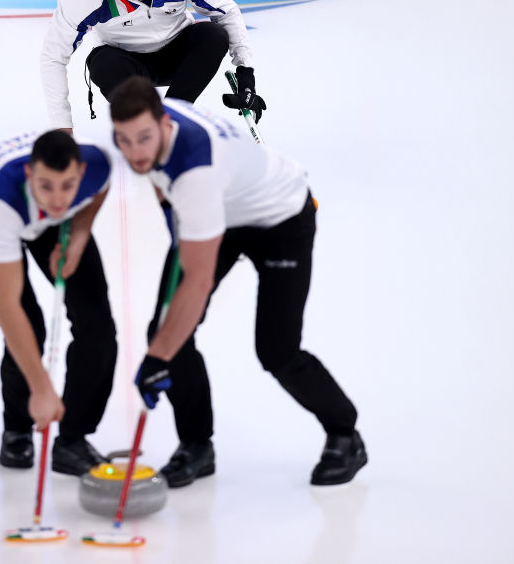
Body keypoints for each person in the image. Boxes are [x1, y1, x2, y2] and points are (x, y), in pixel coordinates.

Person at [108, 76, 367, 488]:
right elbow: (159, 180)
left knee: (277, 350)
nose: (135, 151)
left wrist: (156, 361)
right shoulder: (149, 139)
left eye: (143, 138)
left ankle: (345, 433)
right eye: (124, 140)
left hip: (280, 217)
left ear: (164, 124)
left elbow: (197, 281)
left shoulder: (197, 169)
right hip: (222, 214)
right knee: (168, 331)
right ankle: (197, 446)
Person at [0, 130, 118, 475]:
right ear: (31, 174)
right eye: (47, 185)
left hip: (49, 224)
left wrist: (77, 239)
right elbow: (7, 306)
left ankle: (72, 441)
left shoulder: (97, 165)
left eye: (68, 185)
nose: (59, 199)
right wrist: (42, 387)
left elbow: (98, 190)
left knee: (98, 323)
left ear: (81, 171)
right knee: (28, 324)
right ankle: (17, 429)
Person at [40, 0, 267, 131]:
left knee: (213, 35)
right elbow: (53, 55)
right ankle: (145, 125)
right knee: (101, 63)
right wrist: (62, 127)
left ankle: (172, 119)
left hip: (176, 57)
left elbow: (226, 11)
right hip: (126, 65)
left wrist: (246, 75)